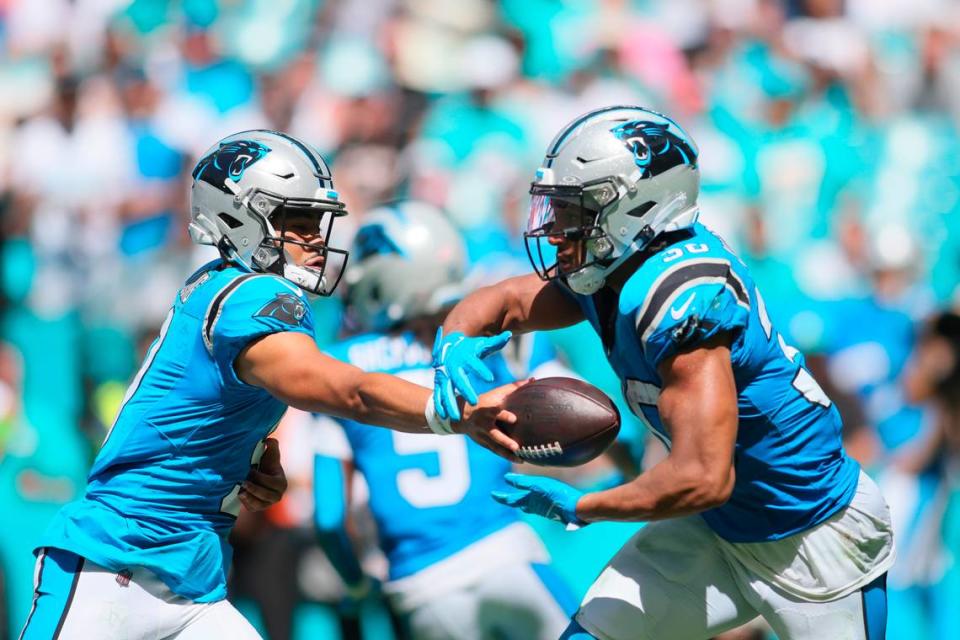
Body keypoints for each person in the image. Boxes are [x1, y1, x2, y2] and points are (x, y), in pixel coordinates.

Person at [19, 131, 521, 640]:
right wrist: (453, 410)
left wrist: (247, 463)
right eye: (295, 221)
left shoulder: (235, 291)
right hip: (115, 564)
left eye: (316, 223)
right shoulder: (250, 296)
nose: (316, 239)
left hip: (192, 583)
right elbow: (343, 389)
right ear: (240, 217)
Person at [431, 107, 896, 640]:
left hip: (810, 535)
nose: (557, 231)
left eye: (574, 211)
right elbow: (508, 302)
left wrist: (584, 507)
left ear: (634, 206)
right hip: (716, 527)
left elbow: (704, 477)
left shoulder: (682, 294)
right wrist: (452, 344)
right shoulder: (614, 266)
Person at [313, 200, 576, 640]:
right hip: (506, 555)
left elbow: (328, 517)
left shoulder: (343, 368)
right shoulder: (499, 343)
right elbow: (610, 429)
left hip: (420, 588)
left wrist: (357, 586)